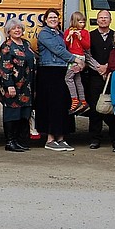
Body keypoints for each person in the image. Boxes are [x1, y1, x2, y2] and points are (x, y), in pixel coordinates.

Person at [36, 8, 83, 152]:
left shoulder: (61, 33)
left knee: (63, 105)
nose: (53, 19)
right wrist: (75, 59)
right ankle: (50, 139)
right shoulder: (44, 34)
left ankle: (61, 138)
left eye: (55, 17)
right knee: (51, 105)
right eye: (50, 17)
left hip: (61, 70)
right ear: (45, 19)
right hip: (49, 71)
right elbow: (58, 50)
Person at [0, 17, 36, 153]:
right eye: (14, 28)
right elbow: (5, 67)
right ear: (8, 31)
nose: (17, 30)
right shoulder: (6, 46)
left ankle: (21, 141)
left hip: (26, 86)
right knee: (12, 114)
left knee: (24, 114)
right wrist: (9, 85)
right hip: (13, 86)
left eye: (19, 28)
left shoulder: (26, 44)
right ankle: (10, 141)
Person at [83, 10, 115, 149]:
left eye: (105, 18)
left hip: (112, 77)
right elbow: (86, 55)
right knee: (95, 109)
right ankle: (95, 139)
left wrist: (107, 68)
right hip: (95, 77)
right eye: (100, 18)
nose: (103, 20)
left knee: (113, 108)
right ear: (97, 20)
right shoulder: (90, 36)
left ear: (110, 20)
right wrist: (99, 68)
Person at [64, 11, 91, 113]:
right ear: (74, 22)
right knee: (77, 79)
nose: (82, 24)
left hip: (78, 58)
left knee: (68, 78)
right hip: (72, 57)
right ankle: (83, 101)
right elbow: (65, 44)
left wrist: (80, 38)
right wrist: (69, 36)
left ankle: (75, 100)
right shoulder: (68, 31)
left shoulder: (85, 33)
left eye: (83, 22)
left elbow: (87, 46)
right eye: (80, 22)